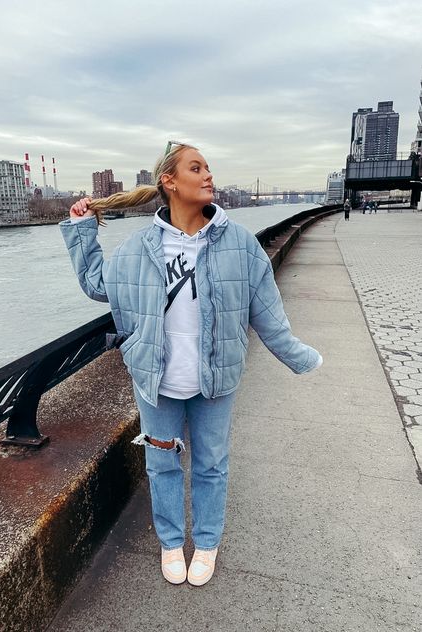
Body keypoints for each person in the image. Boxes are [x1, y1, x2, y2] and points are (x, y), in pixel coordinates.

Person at [59, 141, 323, 587]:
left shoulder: (238, 242)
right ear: (169, 180)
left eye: (208, 168)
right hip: (155, 378)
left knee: (211, 464)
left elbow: (267, 312)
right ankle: (169, 542)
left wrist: (300, 357)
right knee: (161, 465)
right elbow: (96, 283)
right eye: (196, 168)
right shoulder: (139, 248)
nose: (208, 176)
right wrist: (81, 228)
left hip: (216, 378)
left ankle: (206, 542)